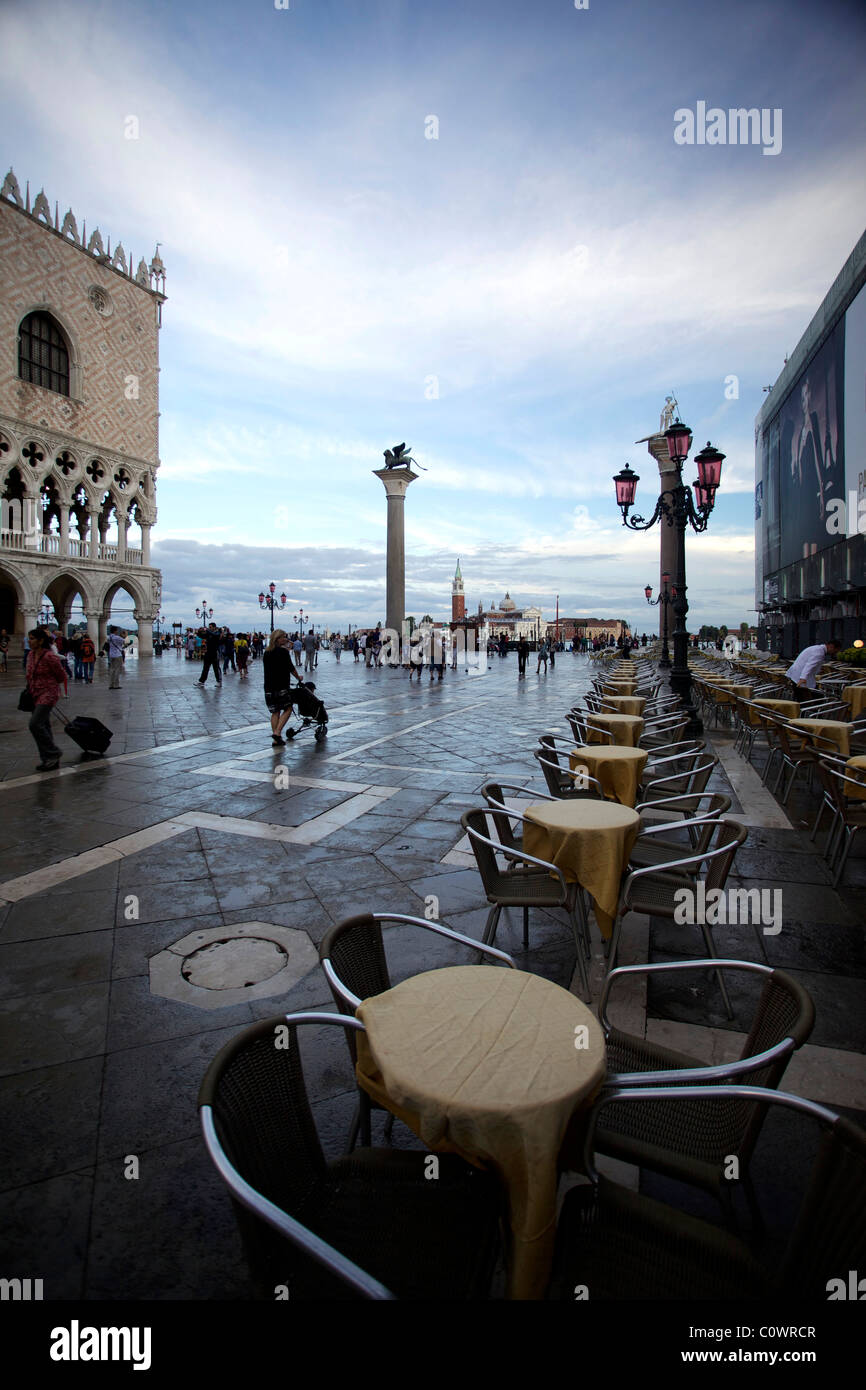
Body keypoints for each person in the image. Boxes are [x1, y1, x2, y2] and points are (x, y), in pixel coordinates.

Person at [24, 627, 67, 771]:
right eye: (29, 638)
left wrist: (47, 683)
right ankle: (48, 759)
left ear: (41, 640)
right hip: (34, 694)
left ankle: (53, 752)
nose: (29, 641)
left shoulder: (49, 656)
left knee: (34, 724)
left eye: (32, 638)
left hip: (48, 694)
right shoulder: (30, 655)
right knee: (44, 726)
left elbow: (61, 676)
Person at [263, 628, 303, 744]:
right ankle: (277, 732)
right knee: (288, 708)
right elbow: (291, 668)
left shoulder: (267, 652)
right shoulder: (283, 652)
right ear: (277, 639)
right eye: (283, 637)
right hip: (281, 686)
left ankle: (277, 740)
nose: (285, 639)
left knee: (275, 712)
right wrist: (298, 678)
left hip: (268, 687)